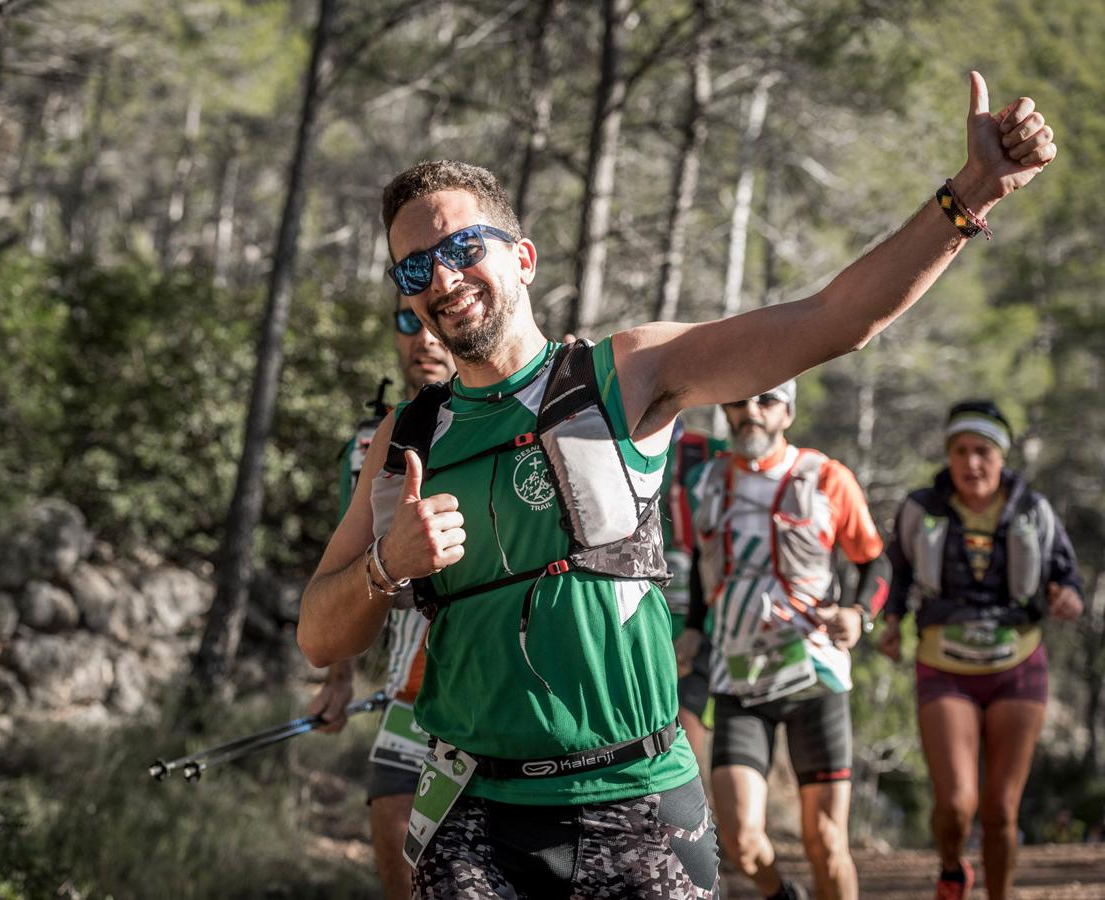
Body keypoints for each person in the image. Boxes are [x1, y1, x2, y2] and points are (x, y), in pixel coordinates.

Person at [298, 72, 1055, 899]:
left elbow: (835, 319)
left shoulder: (625, 373)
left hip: (634, 798)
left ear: (521, 257)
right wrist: (385, 563)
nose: (441, 282)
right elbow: (319, 635)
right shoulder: (408, 437)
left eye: (458, 250)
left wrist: (972, 192)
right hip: (470, 811)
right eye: (413, 271)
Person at [678, 381, 888, 900]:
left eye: (766, 400)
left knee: (825, 840)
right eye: (739, 400)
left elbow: (875, 562)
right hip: (738, 677)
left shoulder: (825, 477)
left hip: (814, 675)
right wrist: (692, 629)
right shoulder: (704, 483)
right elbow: (708, 573)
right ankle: (781, 896)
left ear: (787, 413)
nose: (750, 411)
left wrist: (860, 615)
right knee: (740, 841)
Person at [878, 399, 1083, 900]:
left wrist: (1067, 596)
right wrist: (890, 622)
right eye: (962, 451)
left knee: (1000, 809)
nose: (972, 463)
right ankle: (951, 867)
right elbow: (895, 572)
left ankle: (1000, 894)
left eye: (983, 451)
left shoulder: (1032, 509)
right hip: (944, 666)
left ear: (1002, 456)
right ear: (948, 455)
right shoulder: (920, 509)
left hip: (1018, 664)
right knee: (955, 803)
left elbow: (1064, 572)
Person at [307, 294, 455, 900]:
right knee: (396, 843)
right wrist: (339, 677)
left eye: (435, 322)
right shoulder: (370, 441)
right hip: (408, 685)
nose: (424, 339)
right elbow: (344, 568)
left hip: (491, 680)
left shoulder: (512, 420)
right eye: (407, 321)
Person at [663, 418, 727, 757]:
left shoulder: (710, 453)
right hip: (640, 616)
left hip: (704, 620)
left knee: (688, 724)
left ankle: (700, 804)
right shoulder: (612, 439)